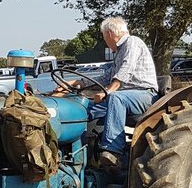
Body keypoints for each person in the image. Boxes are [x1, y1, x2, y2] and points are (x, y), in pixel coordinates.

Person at [54, 15, 157, 170]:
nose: (105, 41)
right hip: (123, 96)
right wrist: (76, 83)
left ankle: (112, 151)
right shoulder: (119, 53)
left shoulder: (133, 42)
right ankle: (74, 155)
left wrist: (108, 91)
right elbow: (106, 77)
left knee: (116, 98)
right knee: (81, 109)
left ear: (109, 34)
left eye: (103, 37)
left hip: (144, 94)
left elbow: (125, 71)